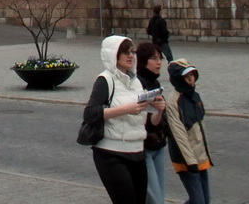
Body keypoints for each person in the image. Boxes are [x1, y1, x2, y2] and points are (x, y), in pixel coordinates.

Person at [84, 35, 165, 204]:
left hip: (137, 151)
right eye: (125, 52)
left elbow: (150, 122)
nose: (130, 56)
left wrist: (158, 111)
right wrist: (125, 109)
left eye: (132, 52)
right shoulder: (105, 80)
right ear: (113, 55)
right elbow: (90, 114)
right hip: (111, 153)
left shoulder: (137, 83)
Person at [163, 59, 212, 204]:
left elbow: (201, 127)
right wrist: (190, 162)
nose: (191, 78)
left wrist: (205, 154)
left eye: (192, 74)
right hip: (185, 160)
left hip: (200, 156)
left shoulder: (194, 96)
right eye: (186, 76)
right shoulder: (173, 101)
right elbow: (178, 134)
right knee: (199, 201)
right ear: (178, 79)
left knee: (204, 200)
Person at [136, 43, 168, 204]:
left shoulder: (155, 84)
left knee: (159, 195)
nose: (159, 62)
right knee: (155, 199)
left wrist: (161, 110)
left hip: (159, 145)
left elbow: (156, 121)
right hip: (145, 148)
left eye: (160, 58)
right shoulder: (139, 84)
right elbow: (147, 122)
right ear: (143, 61)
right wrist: (159, 111)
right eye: (153, 58)